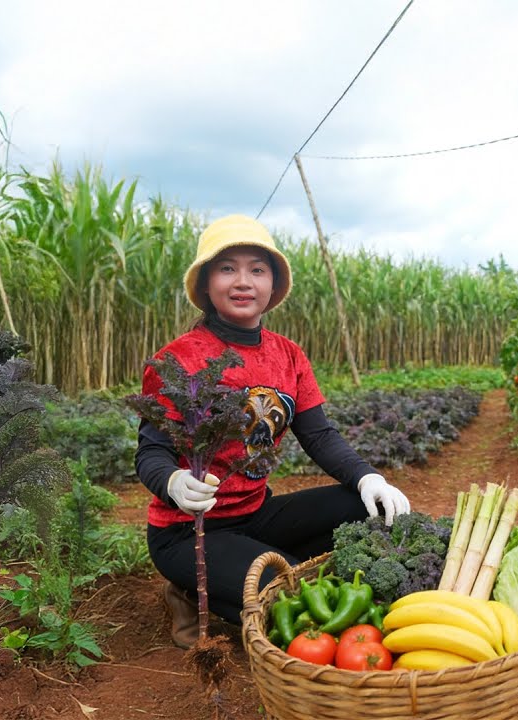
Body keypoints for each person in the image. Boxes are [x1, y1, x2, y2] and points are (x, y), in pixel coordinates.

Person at [134, 214, 412, 648]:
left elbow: (318, 435)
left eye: (257, 269)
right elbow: (151, 452)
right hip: (189, 531)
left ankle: (236, 579)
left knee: (364, 509)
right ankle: (190, 590)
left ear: (272, 285)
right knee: (288, 598)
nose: (243, 281)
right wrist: (172, 482)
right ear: (207, 284)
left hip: (256, 516)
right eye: (227, 268)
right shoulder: (178, 360)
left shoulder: (288, 355)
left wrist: (367, 477)